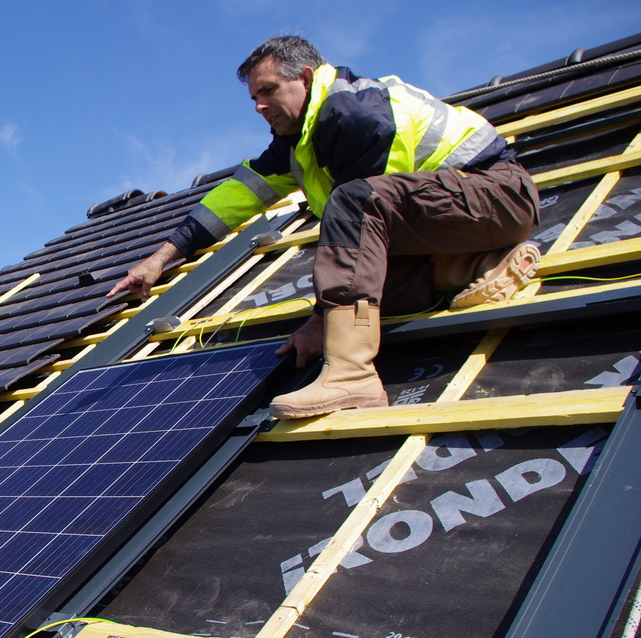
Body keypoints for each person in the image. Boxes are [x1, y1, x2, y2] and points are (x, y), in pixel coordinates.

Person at [108, 36, 541, 419]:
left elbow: (368, 222)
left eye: (269, 91)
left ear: (307, 78)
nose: (259, 106)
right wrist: (158, 259)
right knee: (369, 294)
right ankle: (479, 265)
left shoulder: (357, 113)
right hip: (446, 226)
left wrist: (320, 322)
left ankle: (352, 376)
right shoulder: (298, 141)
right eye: (254, 98)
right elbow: (234, 199)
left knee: (351, 226)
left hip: (495, 196)